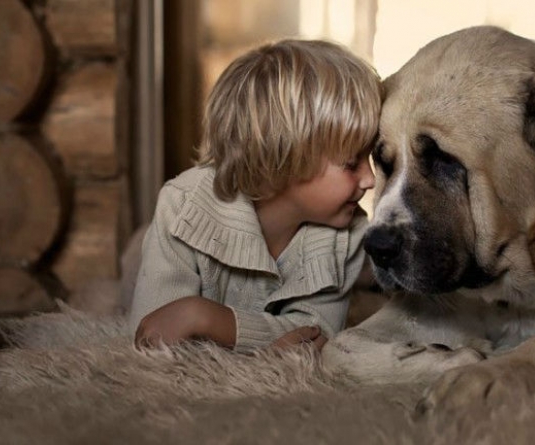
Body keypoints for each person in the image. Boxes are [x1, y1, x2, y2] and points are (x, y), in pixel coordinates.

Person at [129, 39, 380, 353]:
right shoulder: (182, 205)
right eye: (352, 163)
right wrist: (271, 342)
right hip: (162, 241)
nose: (370, 179)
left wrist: (203, 317)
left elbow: (316, 337)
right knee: (132, 265)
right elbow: (153, 333)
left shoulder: (349, 233)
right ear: (284, 156)